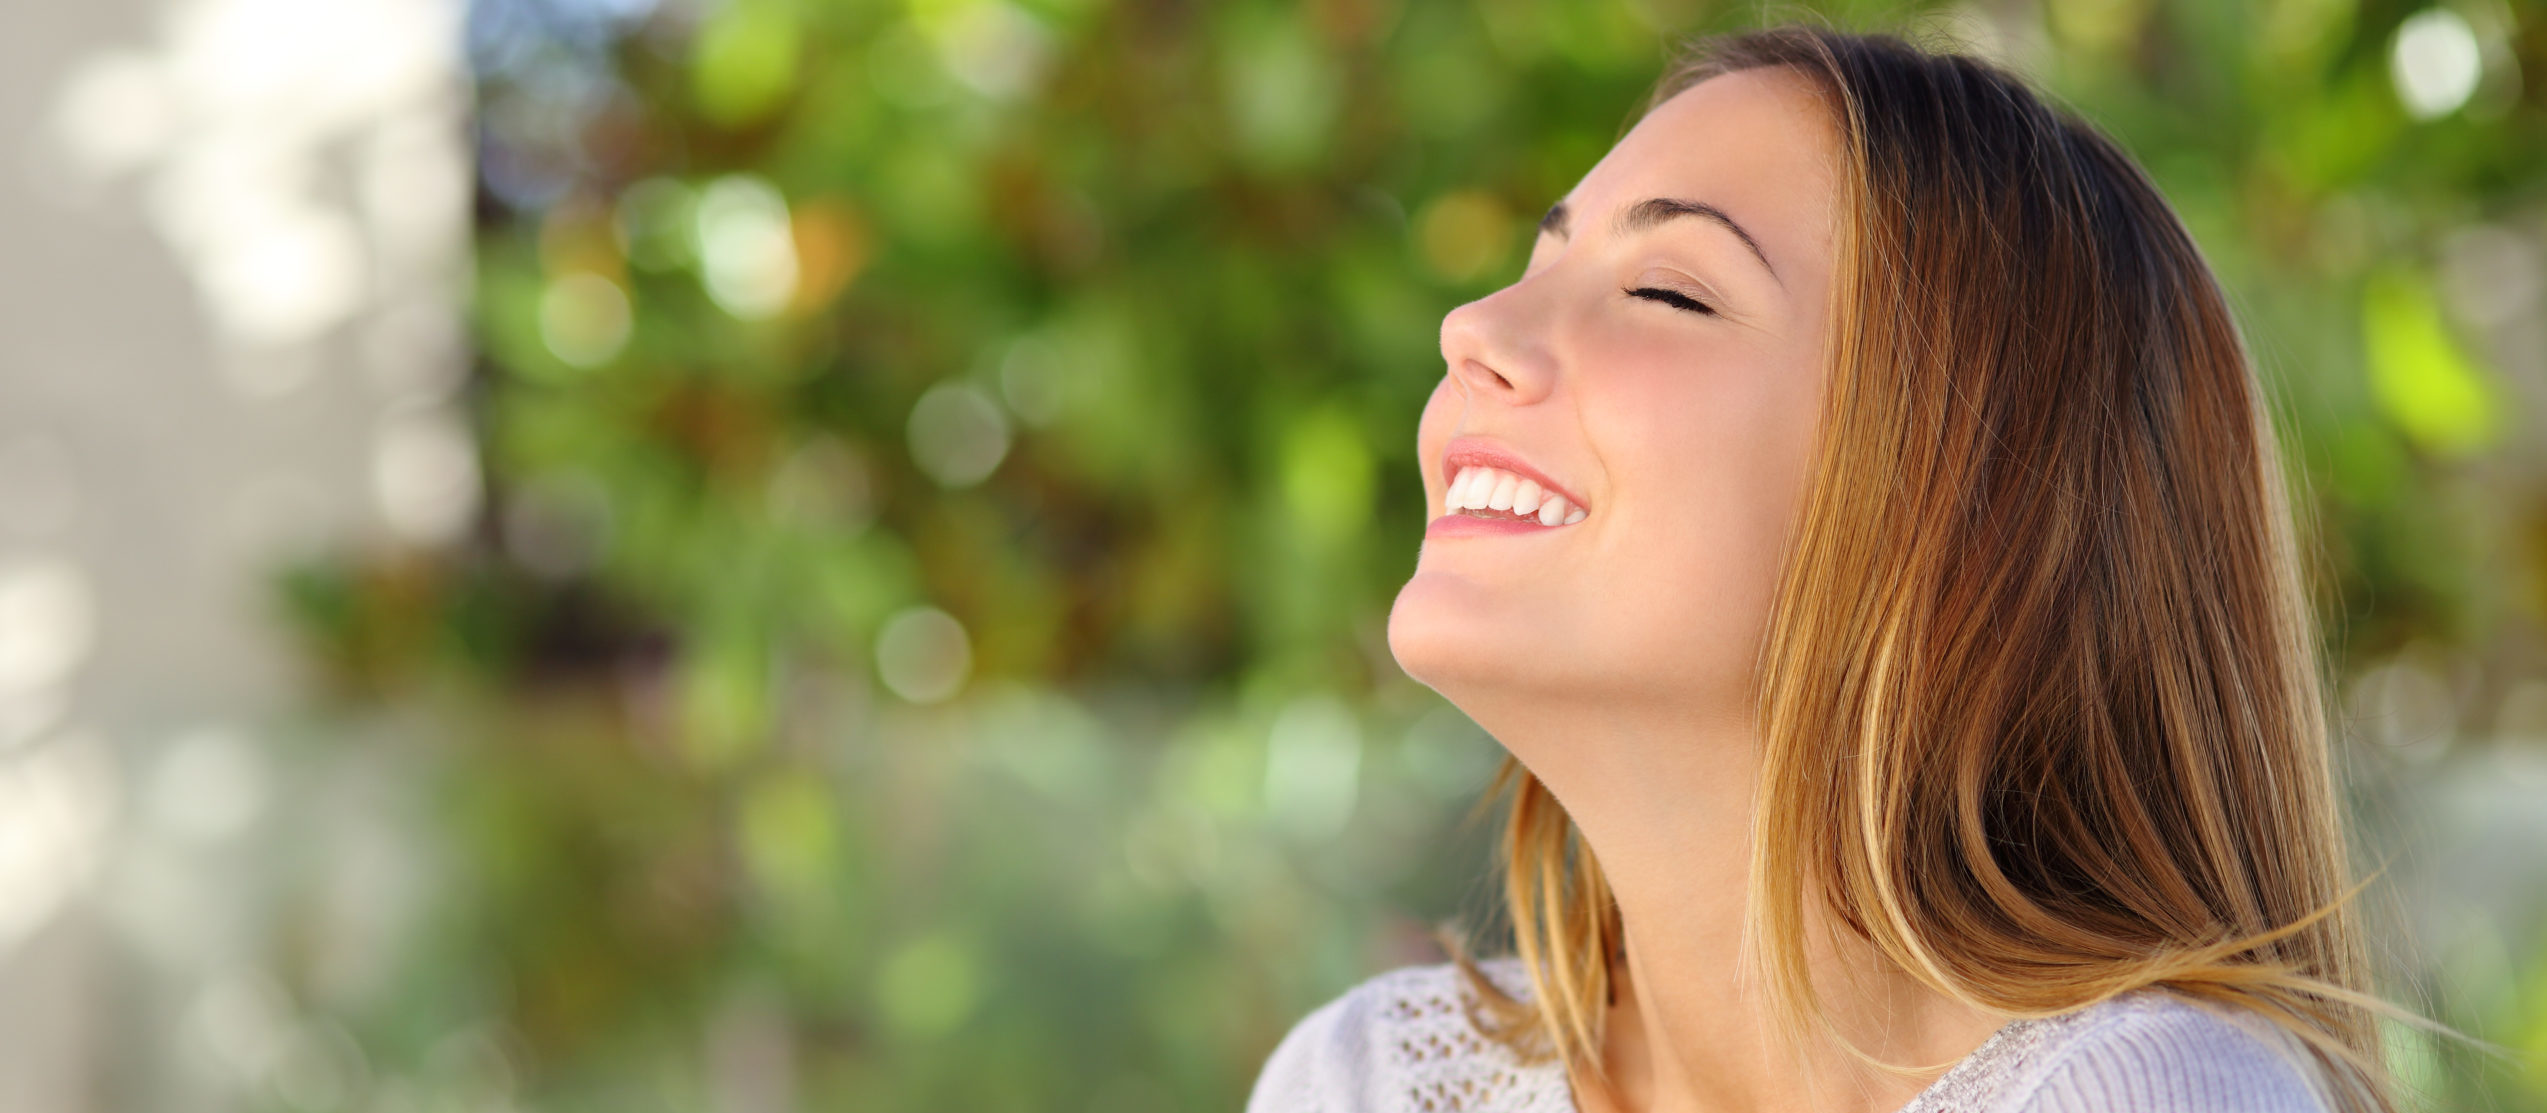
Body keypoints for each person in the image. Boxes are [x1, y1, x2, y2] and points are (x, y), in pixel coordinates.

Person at [1243, 22, 2476, 1113]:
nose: (1474, 327)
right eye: (1539, 260)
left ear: (1969, 521)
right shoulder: (1371, 1080)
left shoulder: (2152, 1098)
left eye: (1668, 291)